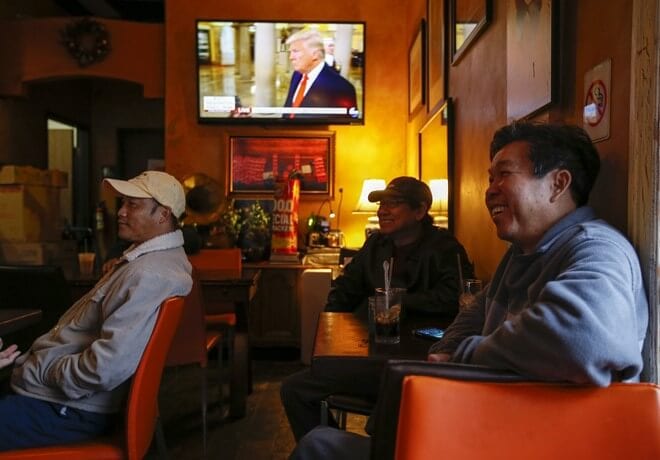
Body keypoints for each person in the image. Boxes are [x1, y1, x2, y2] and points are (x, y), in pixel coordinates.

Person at [289, 122, 649, 459]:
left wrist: (461, 358)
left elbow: (579, 338)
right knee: (321, 436)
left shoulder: (596, 247)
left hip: (535, 442)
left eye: (504, 174)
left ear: (558, 183)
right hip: (485, 423)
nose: (490, 189)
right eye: (490, 178)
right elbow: (472, 315)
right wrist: (443, 354)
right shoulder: (521, 253)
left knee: (319, 446)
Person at [0, 171, 193, 451]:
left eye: (133, 205)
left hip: (67, 409)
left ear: (163, 215)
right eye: (123, 203)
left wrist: (46, 371)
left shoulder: (149, 274)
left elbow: (106, 368)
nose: (121, 212)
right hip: (60, 401)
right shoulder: (152, 261)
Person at [281, 176, 473, 442]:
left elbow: (454, 298)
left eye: (393, 203)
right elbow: (345, 288)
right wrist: (328, 337)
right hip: (371, 356)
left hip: (420, 362)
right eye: (381, 204)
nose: (383, 211)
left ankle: (376, 447)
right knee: (294, 389)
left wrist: (400, 302)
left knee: (389, 406)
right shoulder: (376, 245)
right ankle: (332, 449)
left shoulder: (445, 248)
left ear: (420, 210)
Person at [284, 29, 357, 117]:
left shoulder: (342, 88)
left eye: (295, 51)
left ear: (315, 54)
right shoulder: (297, 75)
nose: (291, 57)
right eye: (290, 52)